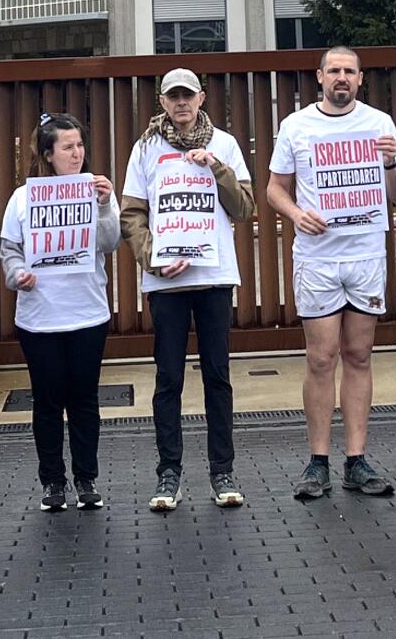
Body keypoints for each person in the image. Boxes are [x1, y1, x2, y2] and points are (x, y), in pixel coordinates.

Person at [265, 46, 396, 500]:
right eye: (334, 71)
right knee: (320, 357)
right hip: (318, 257)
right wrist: (294, 213)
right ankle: (317, 461)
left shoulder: (380, 123)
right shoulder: (296, 126)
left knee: (359, 355)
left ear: (361, 79)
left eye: (349, 71)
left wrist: (389, 164)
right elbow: (274, 188)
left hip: (366, 254)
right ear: (320, 77)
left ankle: (357, 459)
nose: (341, 78)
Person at [120, 67, 255, 513]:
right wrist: (153, 259)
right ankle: (169, 472)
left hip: (214, 278)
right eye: (172, 96)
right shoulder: (144, 148)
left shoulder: (225, 144)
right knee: (168, 379)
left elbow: (245, 207)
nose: (181, 103)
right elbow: (132, 215)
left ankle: (223, 471)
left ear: (201, 99)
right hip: (167, 284)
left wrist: (215, 167)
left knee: (218, 376)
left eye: (188, 96)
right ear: (162, 101)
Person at [0, 112, 121, 512]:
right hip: (40, 317)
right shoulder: (24, 197)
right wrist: (18, 275)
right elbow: (10, 250)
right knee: (47, 401)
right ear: (48, 154)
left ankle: (86, 478)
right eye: (67, 147)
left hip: (87, 313)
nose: (77, 154)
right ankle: (53, 482)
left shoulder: (97, 190)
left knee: (85, 399)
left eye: (80, 146)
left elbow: (109, 243)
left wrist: (103, 206)